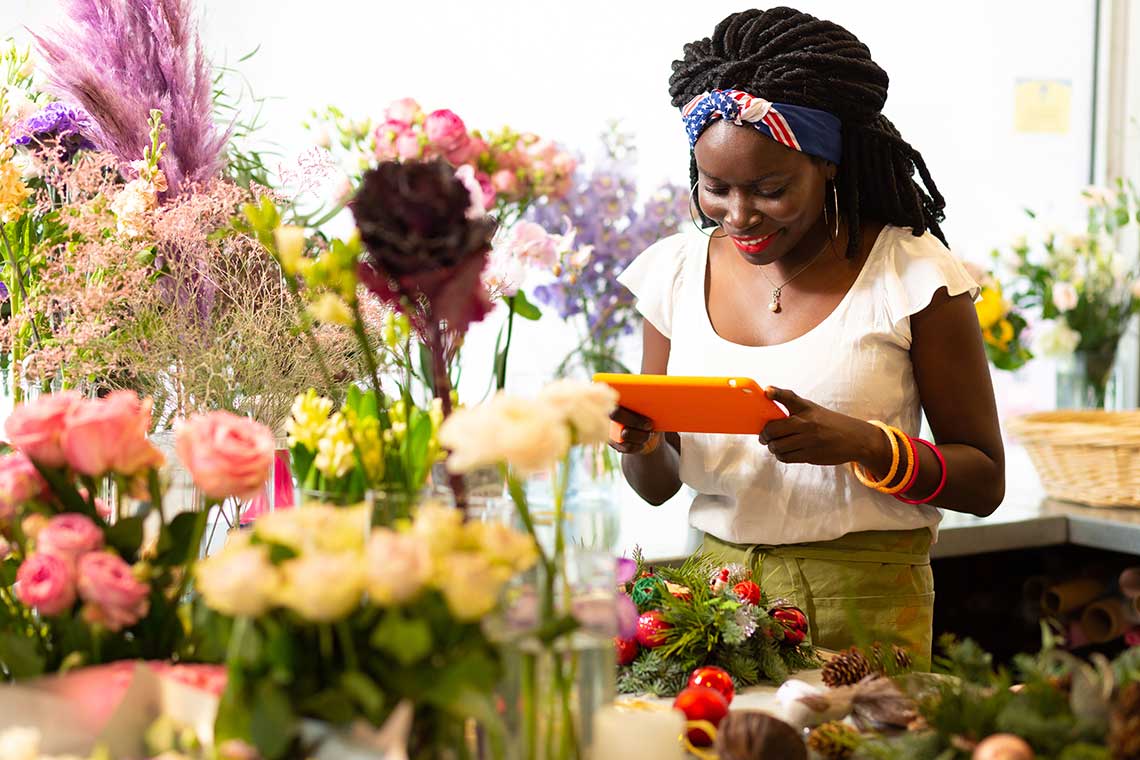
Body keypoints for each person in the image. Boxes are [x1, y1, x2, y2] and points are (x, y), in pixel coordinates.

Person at [609, 6, 1004, 664]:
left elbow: (984, 481)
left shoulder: (913, 276)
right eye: (716, 188)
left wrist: (862, 444)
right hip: (712, 606)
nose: (739, 215)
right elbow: (660, 484)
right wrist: (641, 444)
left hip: (865, 605)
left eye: (769, 188)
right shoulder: (675, 274)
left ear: (827, 163)